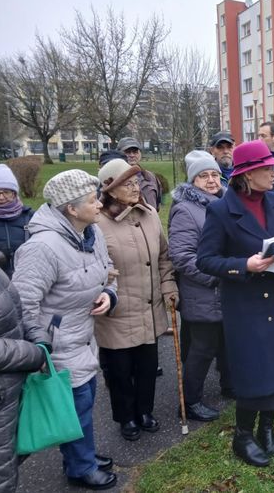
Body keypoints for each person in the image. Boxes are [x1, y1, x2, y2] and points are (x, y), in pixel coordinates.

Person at [196, 139, 274, 468]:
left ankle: (267, 429)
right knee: (254, 372)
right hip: (245, 304)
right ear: (248, 173)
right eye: (268, 167)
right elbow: (205, 260)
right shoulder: (220, 209)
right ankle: (243, 436)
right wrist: (244, 265)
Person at [14, 170, 118, 490]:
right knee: (77, 402)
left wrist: (109, 294)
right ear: (71, 209)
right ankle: (80, 467)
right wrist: (38, 347)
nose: (100, 204)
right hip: (57, 342)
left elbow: (108, 272)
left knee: (84, 399)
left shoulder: (91, 233)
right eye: (92, 200)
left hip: (84, 333)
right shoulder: (42, 248)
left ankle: (79, 455)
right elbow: (22, 303)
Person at [94, 158, 178, 442]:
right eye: (127, 184)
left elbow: (164, 257)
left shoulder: (150, 214)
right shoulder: (97, 223)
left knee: (146, 367)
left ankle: (145, 411)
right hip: (118, 312)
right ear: (110, 190)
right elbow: (94, 266)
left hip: (150, 308)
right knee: (119, 371)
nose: (135, 187)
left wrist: (169, 288)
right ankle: (126, 417)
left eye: (136, 182)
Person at [168, 150, 228, 421]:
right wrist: (215, 275)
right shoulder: (185, 210)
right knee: (202, 349)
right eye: (204, 176)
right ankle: (190, 402)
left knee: (226, 343)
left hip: (226, 289)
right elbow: (182, 256)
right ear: (192, 181)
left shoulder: (224, 202)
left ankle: (230, 386)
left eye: (214, 174)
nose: (211, 180)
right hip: (202, 291)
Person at [0, 265, 46, 493]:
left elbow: (16, 306)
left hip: (10, 390)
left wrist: (38, 335)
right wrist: (33, 354)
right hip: (1, 389)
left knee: (9, 467)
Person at [0, 164, 33, 278]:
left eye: (6, 192)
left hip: (28, 281)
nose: (1, 197)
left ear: (14, 193)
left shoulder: (31, 217)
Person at [116, 137, 163, 211]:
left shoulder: (150, 177)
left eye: (135, 152)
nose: (132, 155)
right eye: (128, 152)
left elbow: (158, 202)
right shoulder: (115, 179)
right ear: (119, 153)